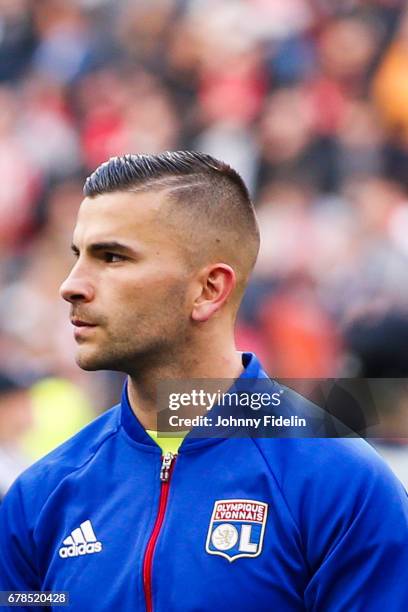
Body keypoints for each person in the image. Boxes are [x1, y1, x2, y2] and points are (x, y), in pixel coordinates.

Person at [0, 151, 407, 611]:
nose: (71, 285)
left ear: (209, 289)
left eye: (112, 257)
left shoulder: (341, 484)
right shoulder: (38, 497)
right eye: (79, 256)